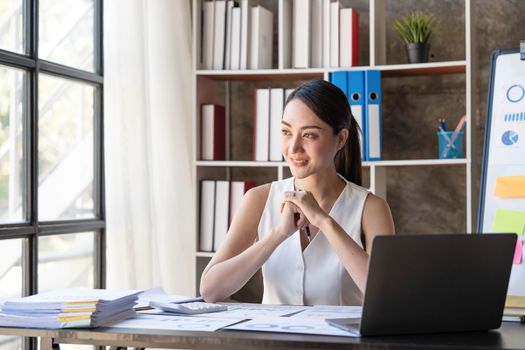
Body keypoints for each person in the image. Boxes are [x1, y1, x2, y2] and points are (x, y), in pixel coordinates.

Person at [200, 79, 395, 306]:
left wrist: (324, 221)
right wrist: (278, 234)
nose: (293, 148)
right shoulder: (258, 199)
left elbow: (385, 296)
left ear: (340, 139)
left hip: (341, 342)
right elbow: (210, 291)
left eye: (309, 135)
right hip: (273, 341)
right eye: (286, 131)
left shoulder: (371, 208)